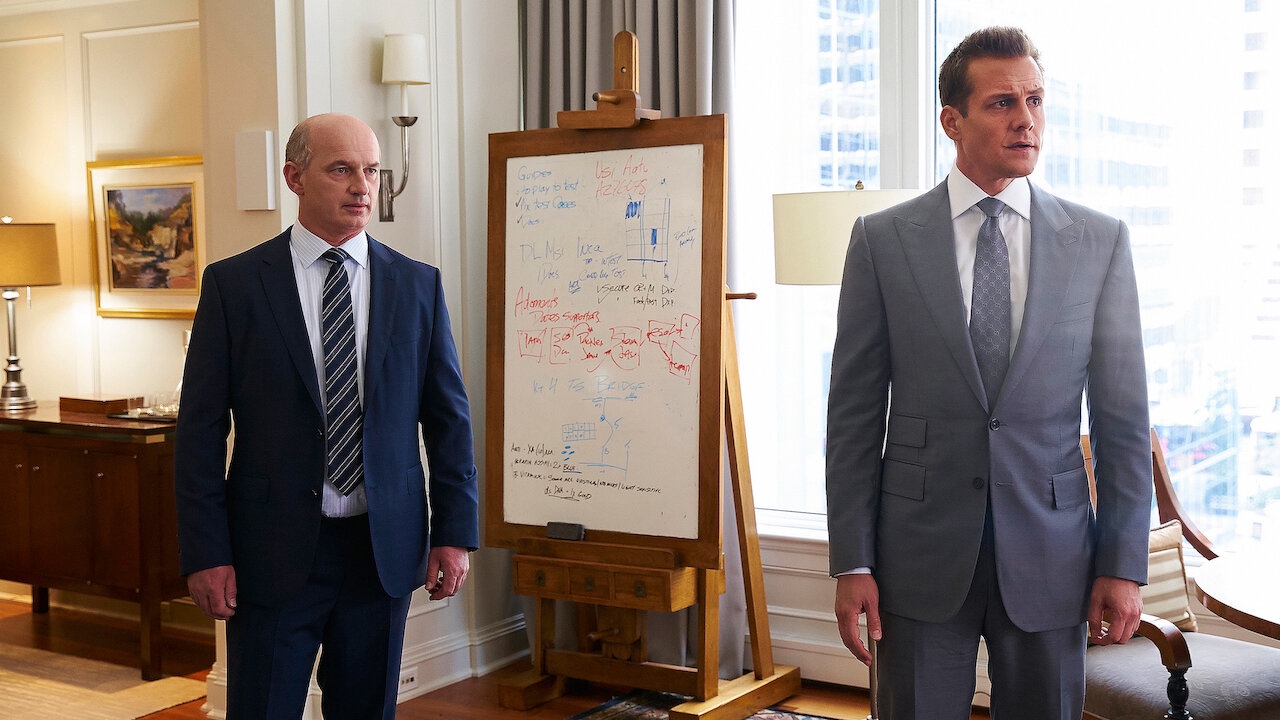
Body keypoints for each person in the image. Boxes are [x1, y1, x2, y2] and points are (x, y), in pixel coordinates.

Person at [825, 27, 1152, 719]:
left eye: (1035, 100)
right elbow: (853, 415)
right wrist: (852, 561)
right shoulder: (882, 241)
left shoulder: (1099, 242)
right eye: (1003, 103)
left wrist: (1122, 564)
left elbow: (1123, 420)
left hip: (1053, 554)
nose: (1025, 119)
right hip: (916, 555)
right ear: (953, 120)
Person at [174, 112, 478, 719]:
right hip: (270, 552)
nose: (362, 187)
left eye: (371, 171)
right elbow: (199, 433)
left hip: (381, 551)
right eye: (341, 170)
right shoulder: (235, 286)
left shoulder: (417, 285)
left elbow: (449, 421)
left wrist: (453, 533)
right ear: (294, 177)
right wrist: (206, 551)